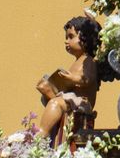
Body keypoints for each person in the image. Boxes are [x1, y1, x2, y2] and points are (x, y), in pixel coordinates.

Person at [34, 15, 101, 144]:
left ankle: (43, 134)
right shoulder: (77, 62)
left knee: (56, 103)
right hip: (72, 100)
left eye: (71, 37)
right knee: (52, 97)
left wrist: (72, 78)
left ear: (85, 38)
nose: (66, 41)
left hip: (82, 103)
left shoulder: (89, 61)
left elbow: (87, 79)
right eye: (66, 37)